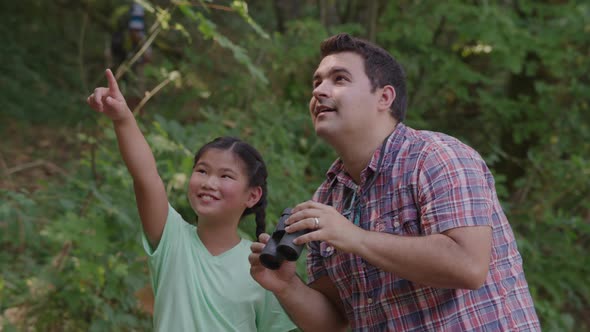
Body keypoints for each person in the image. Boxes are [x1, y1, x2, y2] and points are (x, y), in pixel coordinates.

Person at [249, 33, 541, 331]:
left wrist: (355, 237)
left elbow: (468, 265)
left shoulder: (437, 156)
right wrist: (287, 286)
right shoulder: (327, 198)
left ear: (384, 98)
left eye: (339, 79)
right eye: (316, 82)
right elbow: (335, 321)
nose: (320, 91)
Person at [86, 69, 295, 331]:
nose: (209, 183)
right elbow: (146, 176)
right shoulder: (171, 238)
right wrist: (123, 119)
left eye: (226, 176)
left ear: (252, 196)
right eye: (202, 171)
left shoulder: (261, 266)